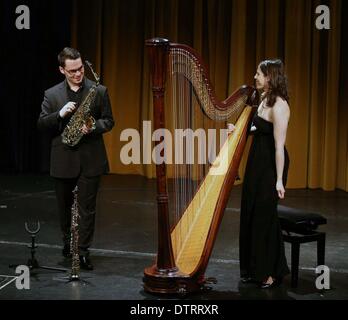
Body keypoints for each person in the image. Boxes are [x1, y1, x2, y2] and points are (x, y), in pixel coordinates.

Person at [37, 47, 114, 270]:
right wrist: (59, 114)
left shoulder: (99, 91)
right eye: (72, 71)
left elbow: (109, 121)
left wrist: (93, 126)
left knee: (86, 208)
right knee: (64, 207)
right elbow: (41, 124)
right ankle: (68, 243)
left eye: (80, 68)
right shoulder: (51, 95)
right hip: (63, 158)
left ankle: (81, 251)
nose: (78, 74)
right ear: (62, 70)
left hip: (90, 158)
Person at [230, 59, 290, 288]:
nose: (254, 77)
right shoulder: (263, 100)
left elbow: (278, 146)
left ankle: (270, 272)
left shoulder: (280, 105)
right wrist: (237, 131)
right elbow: (257, 128)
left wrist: (278, 180)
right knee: (251, 213)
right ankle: (253, 269)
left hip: (270, 166)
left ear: (269, 77)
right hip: (256, 162)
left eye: (258, 73)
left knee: (264, 219)